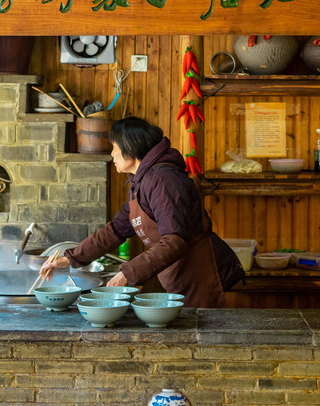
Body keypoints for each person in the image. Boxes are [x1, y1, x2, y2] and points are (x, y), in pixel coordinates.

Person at [40, 116, 229, 308]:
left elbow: (175, 241)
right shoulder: (141, 182)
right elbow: (115, 230)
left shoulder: (163, 180)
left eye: (114, 147)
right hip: (181, 277)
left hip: (203, 276)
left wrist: (127, 273)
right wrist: (70, 258)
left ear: (129, 147)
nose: (112, 154)